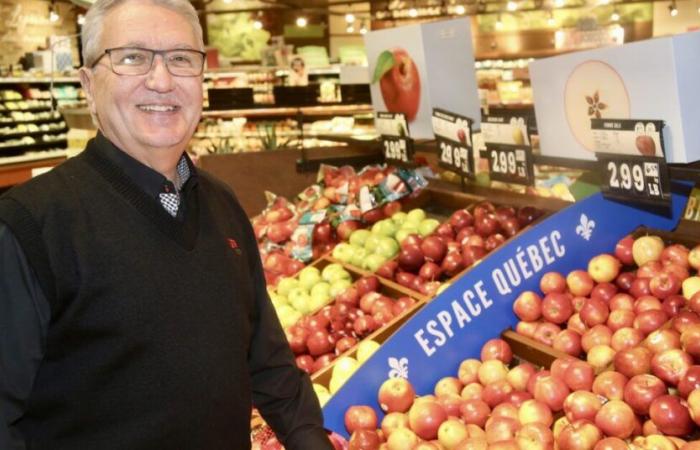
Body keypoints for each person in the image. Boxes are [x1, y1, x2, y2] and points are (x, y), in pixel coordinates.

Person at [0, 1, 333, 449]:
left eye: (180, 59)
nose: (161, 81)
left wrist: (310, 440)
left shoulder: (223, 205)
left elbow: (268, 360)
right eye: (132, 57)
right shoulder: (29, 228)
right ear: (87, 83)